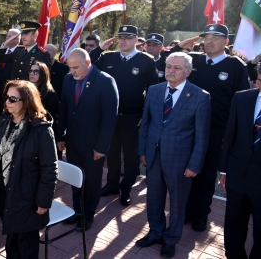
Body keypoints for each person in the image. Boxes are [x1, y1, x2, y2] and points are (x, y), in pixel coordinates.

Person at [136, 52, 211, 259]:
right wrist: (142, 150)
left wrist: (194, 165)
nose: (170, 70)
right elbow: (147, 123)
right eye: (168, 66)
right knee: (154, 198)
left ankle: (171, 239)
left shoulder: (200, 97)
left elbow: (202, 136)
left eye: (177, 68)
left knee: (178, 203)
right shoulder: (154, 90)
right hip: (153, 156)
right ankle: (155, 232)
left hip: (180, 161)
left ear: (188, 71)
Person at [183, 24, 249, 232]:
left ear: (226, 42)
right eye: (206, 37)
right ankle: (187, 210)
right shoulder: (193, 61)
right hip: (189, 128)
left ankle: (202, 214)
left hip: (217, 131)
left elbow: (242, 104)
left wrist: (231, 135)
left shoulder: (236, 66)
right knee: (186, 172)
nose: (209, 41)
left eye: (215, 37)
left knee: (207, 175)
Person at [0, 79, 58, 258]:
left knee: (26, 242)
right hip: (6, 190)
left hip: (27, 196)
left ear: (26, 101)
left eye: (13, 99)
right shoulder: (5, 119)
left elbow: (49, 168)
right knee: (11, 238)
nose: (7, 102)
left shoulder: (40, 129)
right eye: (6, 97)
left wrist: (43, 201)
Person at [89, 25, 158, 206]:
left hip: (133, 116)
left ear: (136, 39)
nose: (123, 41)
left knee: (130, 155)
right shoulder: (108, 57)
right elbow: (86, 64)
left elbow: (153, 90)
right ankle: (112, 184)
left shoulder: (146, 61)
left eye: (127, 37)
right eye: (120, 37)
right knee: (111, 152)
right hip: (110, 115)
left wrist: (146, 114)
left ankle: (126, 188)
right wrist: (100, 48)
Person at [57, 48, 119, 231]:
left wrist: (102, 147)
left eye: (76, 67)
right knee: (77, 179)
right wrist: (60, 136)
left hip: (93, 146)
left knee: (92, 181)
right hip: (73, 142)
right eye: (70, 68)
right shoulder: (69, 79)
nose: (72, 71)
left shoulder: (106, 81)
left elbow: (110, 118)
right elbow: (64, 109)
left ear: (88, 63)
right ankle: (77, 211)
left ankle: (88, 215)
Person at [219, 65, 261, 258]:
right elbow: (230, 135)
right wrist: (224, 170)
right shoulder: (242, 98)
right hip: (237, 174)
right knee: (234, 223)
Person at [28, 61, 60, 155]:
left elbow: (51, 117)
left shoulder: (50, 94)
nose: (31, 74)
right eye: (30, 71)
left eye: (36, 71)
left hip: (42, 135)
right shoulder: (26, 90)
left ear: (43, 74)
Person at [0, 29, 21, 115]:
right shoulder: (2, 51)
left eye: (10, 37)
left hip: (13, 94)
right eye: (7, 36)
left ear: (17, 39)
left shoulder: (20, 52)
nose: (7, 38)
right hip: (0, 94)